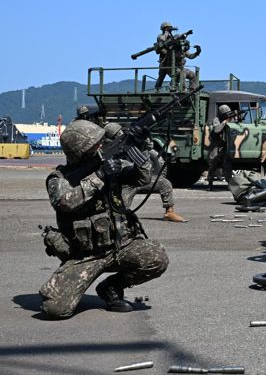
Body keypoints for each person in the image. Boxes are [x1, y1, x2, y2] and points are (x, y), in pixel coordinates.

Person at [39, 120, 168, 319]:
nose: (101, 146)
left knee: (156, 259)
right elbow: (66, 202)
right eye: (95, 145)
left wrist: (139, 149)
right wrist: (99, 175)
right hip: (84, 255)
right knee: (55, 309)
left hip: (120, 246)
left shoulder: (111, 165)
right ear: (81, 151)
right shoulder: (59, 179)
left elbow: (143, 179)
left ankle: (111, 287)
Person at [153, 22, 201, 91]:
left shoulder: (181, 49)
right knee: (162, 77)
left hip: (177, 68)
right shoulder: (166, 41)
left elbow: (190, 56)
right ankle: (182, 90)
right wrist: (167, 32)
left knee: (192, 75)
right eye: (167, 28)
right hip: (167, 66)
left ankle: (193, 90)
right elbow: (163, 40)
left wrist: (197, 52)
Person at [207, 104, 234, 190]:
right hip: (215, 144)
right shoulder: (217, 119)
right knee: (213, 163)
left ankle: (229, 183)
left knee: (227, 164)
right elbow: (217, 129)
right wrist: (225, 122)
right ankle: (210, 183)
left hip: (225, 145)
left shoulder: (230, 119)